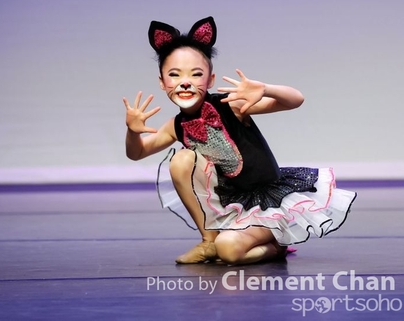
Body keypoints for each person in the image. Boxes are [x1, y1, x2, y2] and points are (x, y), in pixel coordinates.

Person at [123, 16, 356, 265]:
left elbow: (295, 100)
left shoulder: (231, 106)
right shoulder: (175, 125)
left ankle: (276, 247)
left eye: (196, 74)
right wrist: (132, 131)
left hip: (267, 203)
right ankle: (208, 241)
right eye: (174, 74)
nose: (186, 82)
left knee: (229, 250)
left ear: (210, 80)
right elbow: (137, 153)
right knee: (181, 160)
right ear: (162, 82)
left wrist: (266, 88)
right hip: (231, 204)